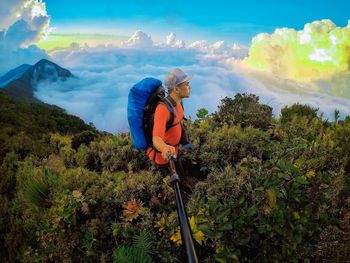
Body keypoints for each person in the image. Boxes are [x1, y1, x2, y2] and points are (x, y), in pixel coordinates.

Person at [146, 68, 192, 174]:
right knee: (169, 187)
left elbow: (179, 123)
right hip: (163, 159)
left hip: (174, 152)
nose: (189, 87)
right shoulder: (163, 109)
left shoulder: (179, 103)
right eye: (186, 84)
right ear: (176, 89)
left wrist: (185, 142)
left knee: (182, 176)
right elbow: (156, 139)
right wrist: (164, 148)